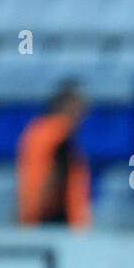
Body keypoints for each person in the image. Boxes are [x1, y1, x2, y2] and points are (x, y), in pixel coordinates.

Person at [16, 82, 91, 229]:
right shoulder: (58, 136)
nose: (84, 114)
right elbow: (54, 177)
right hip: (53, 220)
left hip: (34, 216)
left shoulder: (37, 131)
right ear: (67, 106)